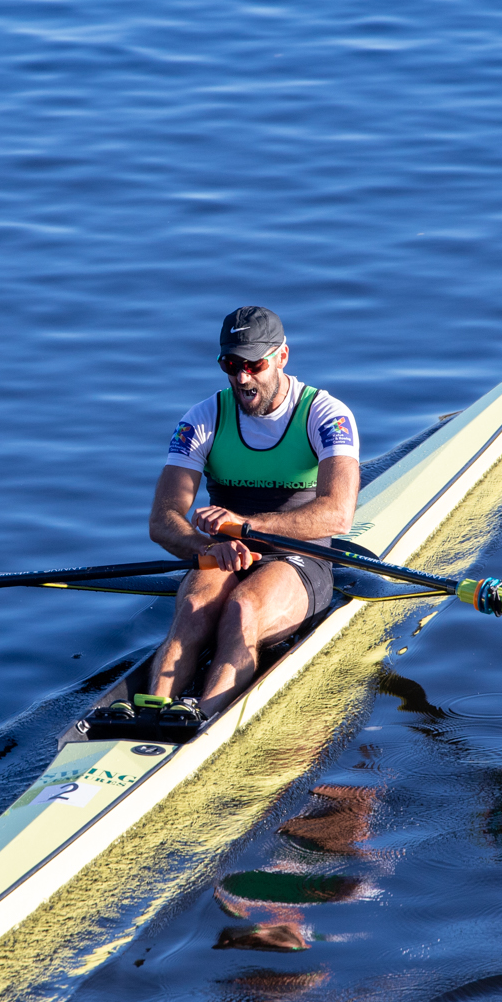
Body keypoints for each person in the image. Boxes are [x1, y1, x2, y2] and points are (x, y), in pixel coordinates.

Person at [146, 306, 361, 719]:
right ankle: (153, 710)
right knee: (191, 614)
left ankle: (204, 722)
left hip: (298, 555)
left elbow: (338, 515)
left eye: (253, 364)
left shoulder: (326, 415)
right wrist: (205, 546)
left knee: (242, 608)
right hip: (225, 551)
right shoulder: (203, 419)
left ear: (281, 357)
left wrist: (248, 527)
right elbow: (163, 520)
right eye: (231, 364)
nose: (241, 377)